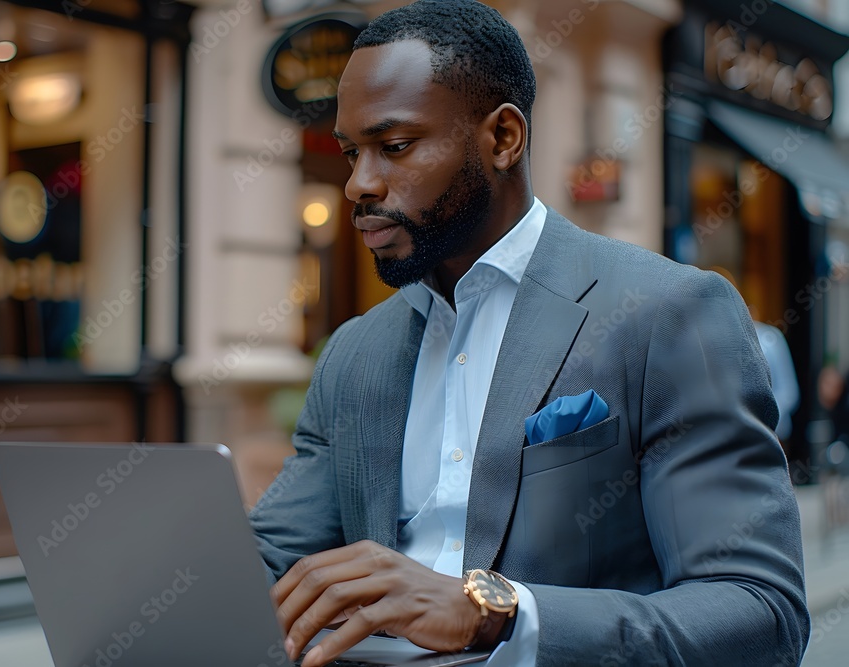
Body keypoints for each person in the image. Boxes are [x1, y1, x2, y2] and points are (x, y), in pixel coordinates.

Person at [249, 2, 810, 665]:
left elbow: (758, 613)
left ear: (504, 137)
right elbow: (266, 562)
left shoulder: (667, 312)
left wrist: (496, 611)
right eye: (350, 153)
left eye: (393, 146)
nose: (357, 184)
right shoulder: (355, 352)